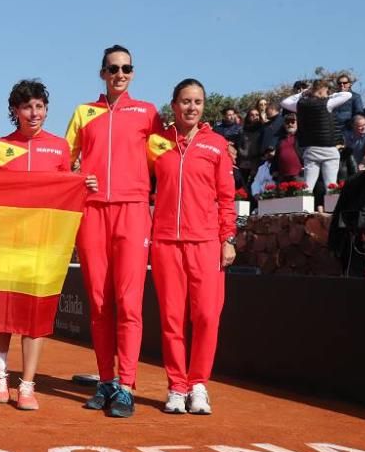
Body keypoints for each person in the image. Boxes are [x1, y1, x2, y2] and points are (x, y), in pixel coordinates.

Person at [64, 44, 162, 418]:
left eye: (126, 68)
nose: (120, 74)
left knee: (129, 302)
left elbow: (167, 156)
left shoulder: (147, 113)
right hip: (92, 213)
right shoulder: (83, 113)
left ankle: (126, 385)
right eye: (113, 68)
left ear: (132, 73)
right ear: (102, 73)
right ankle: (106, 380)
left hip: (133, 210)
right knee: (100, 303)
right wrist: (76, 177)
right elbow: (63, 159)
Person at [147, 78, 236, 415]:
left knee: (206, 316)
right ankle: (176, 387)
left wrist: (227, 239)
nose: (191, 107)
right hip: (167, 241)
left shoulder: (216, 145)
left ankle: (198, 385)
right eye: (185, 101)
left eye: (197, 101)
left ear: (203, 106)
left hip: (206, 242)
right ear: (174, 105)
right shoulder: (157, 145)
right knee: (171, 318)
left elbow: (227, 197)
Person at [0, 78, 71, 411]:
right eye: (26, 107)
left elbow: (68, 191)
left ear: (46, 109)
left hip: (43, 246)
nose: (33, 113)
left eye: (39, 106)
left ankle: (27, 385)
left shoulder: (59, 147)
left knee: (35, 316)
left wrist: (83, 183)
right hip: (5, 244)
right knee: (3, 314)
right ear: (14, 111)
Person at [280, 80, 354, 197]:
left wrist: (302, 93)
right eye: (327, 90)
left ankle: (303, 211)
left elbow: (284, 102)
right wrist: (331, 95)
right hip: (329, 149)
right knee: (331, 186)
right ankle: (333, 212)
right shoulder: (328, 103)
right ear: (322, 90)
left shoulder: (301, 105)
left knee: (307, 187)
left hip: (311, 150)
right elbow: (347, 94)